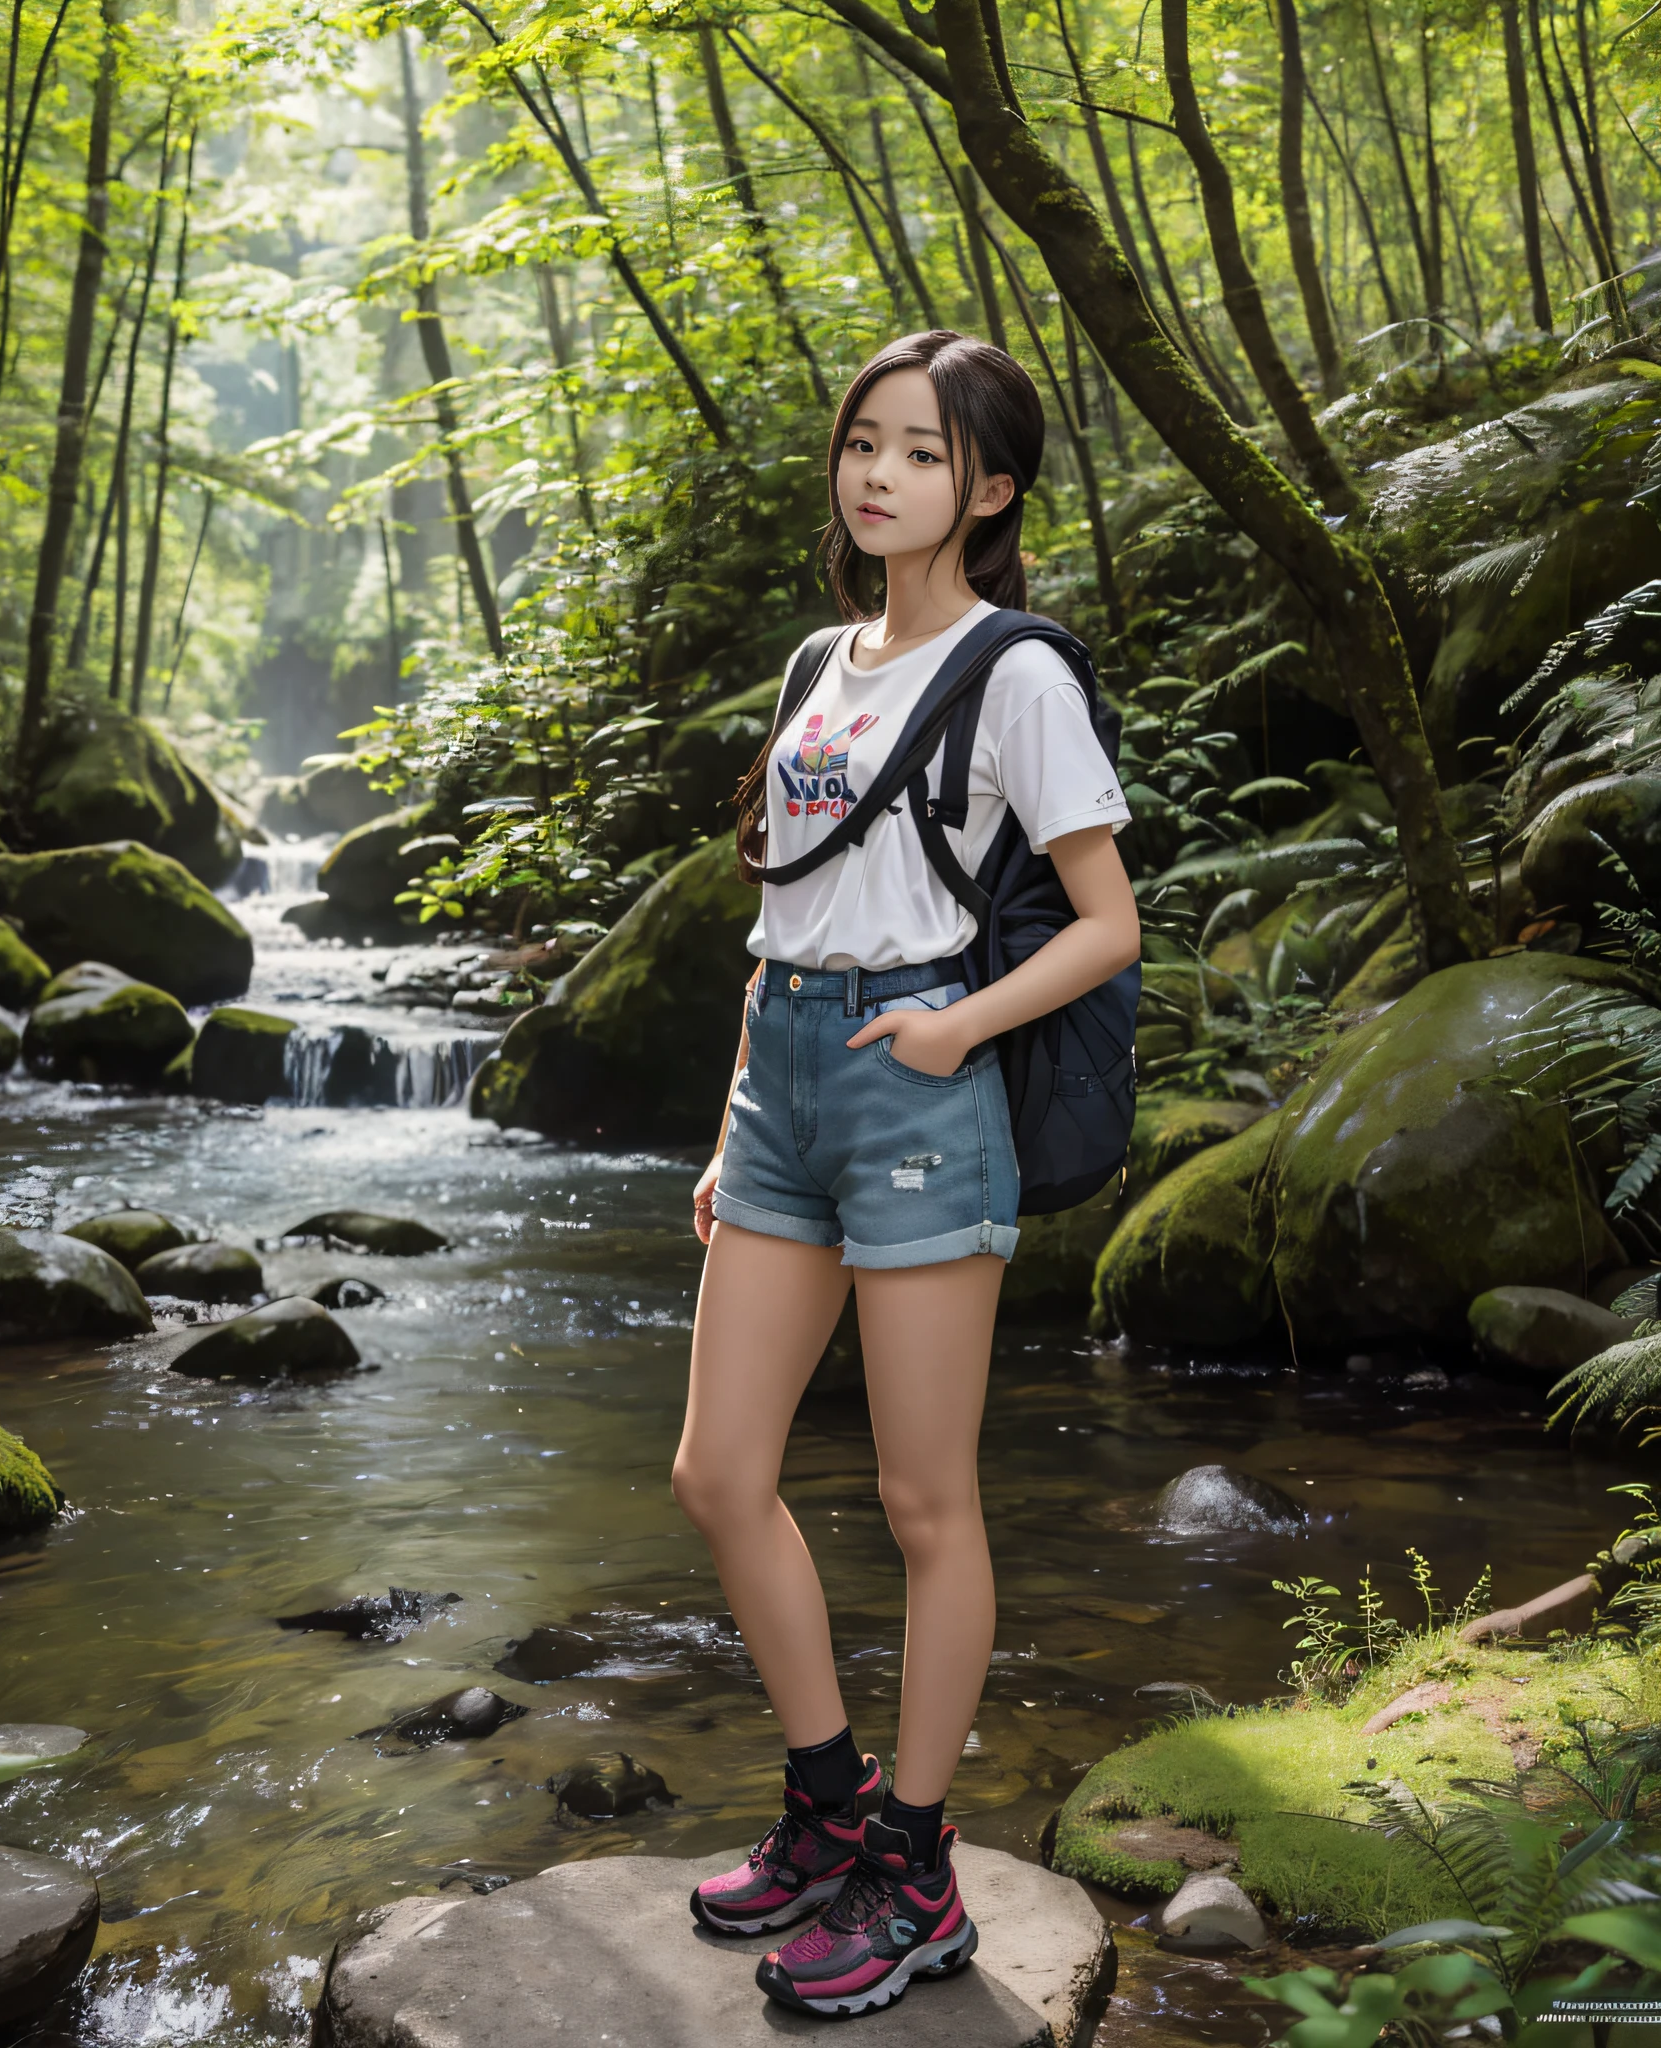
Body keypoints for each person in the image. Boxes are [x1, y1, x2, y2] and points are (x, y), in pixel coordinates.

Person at [672, 330, 1140, 2020]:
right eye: (865, 444)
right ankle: (825, 1806)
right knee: (721, 1473)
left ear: (992, 487)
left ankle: (921, 1873)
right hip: (786, 1078)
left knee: (925, 1502)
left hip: (920, 1089)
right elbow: (779, 917)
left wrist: (957, 1032)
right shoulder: (821, 658)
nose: (880, 475)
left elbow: (1107, 924)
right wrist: (736, 1125)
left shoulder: (1018, 672)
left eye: (923, 454)